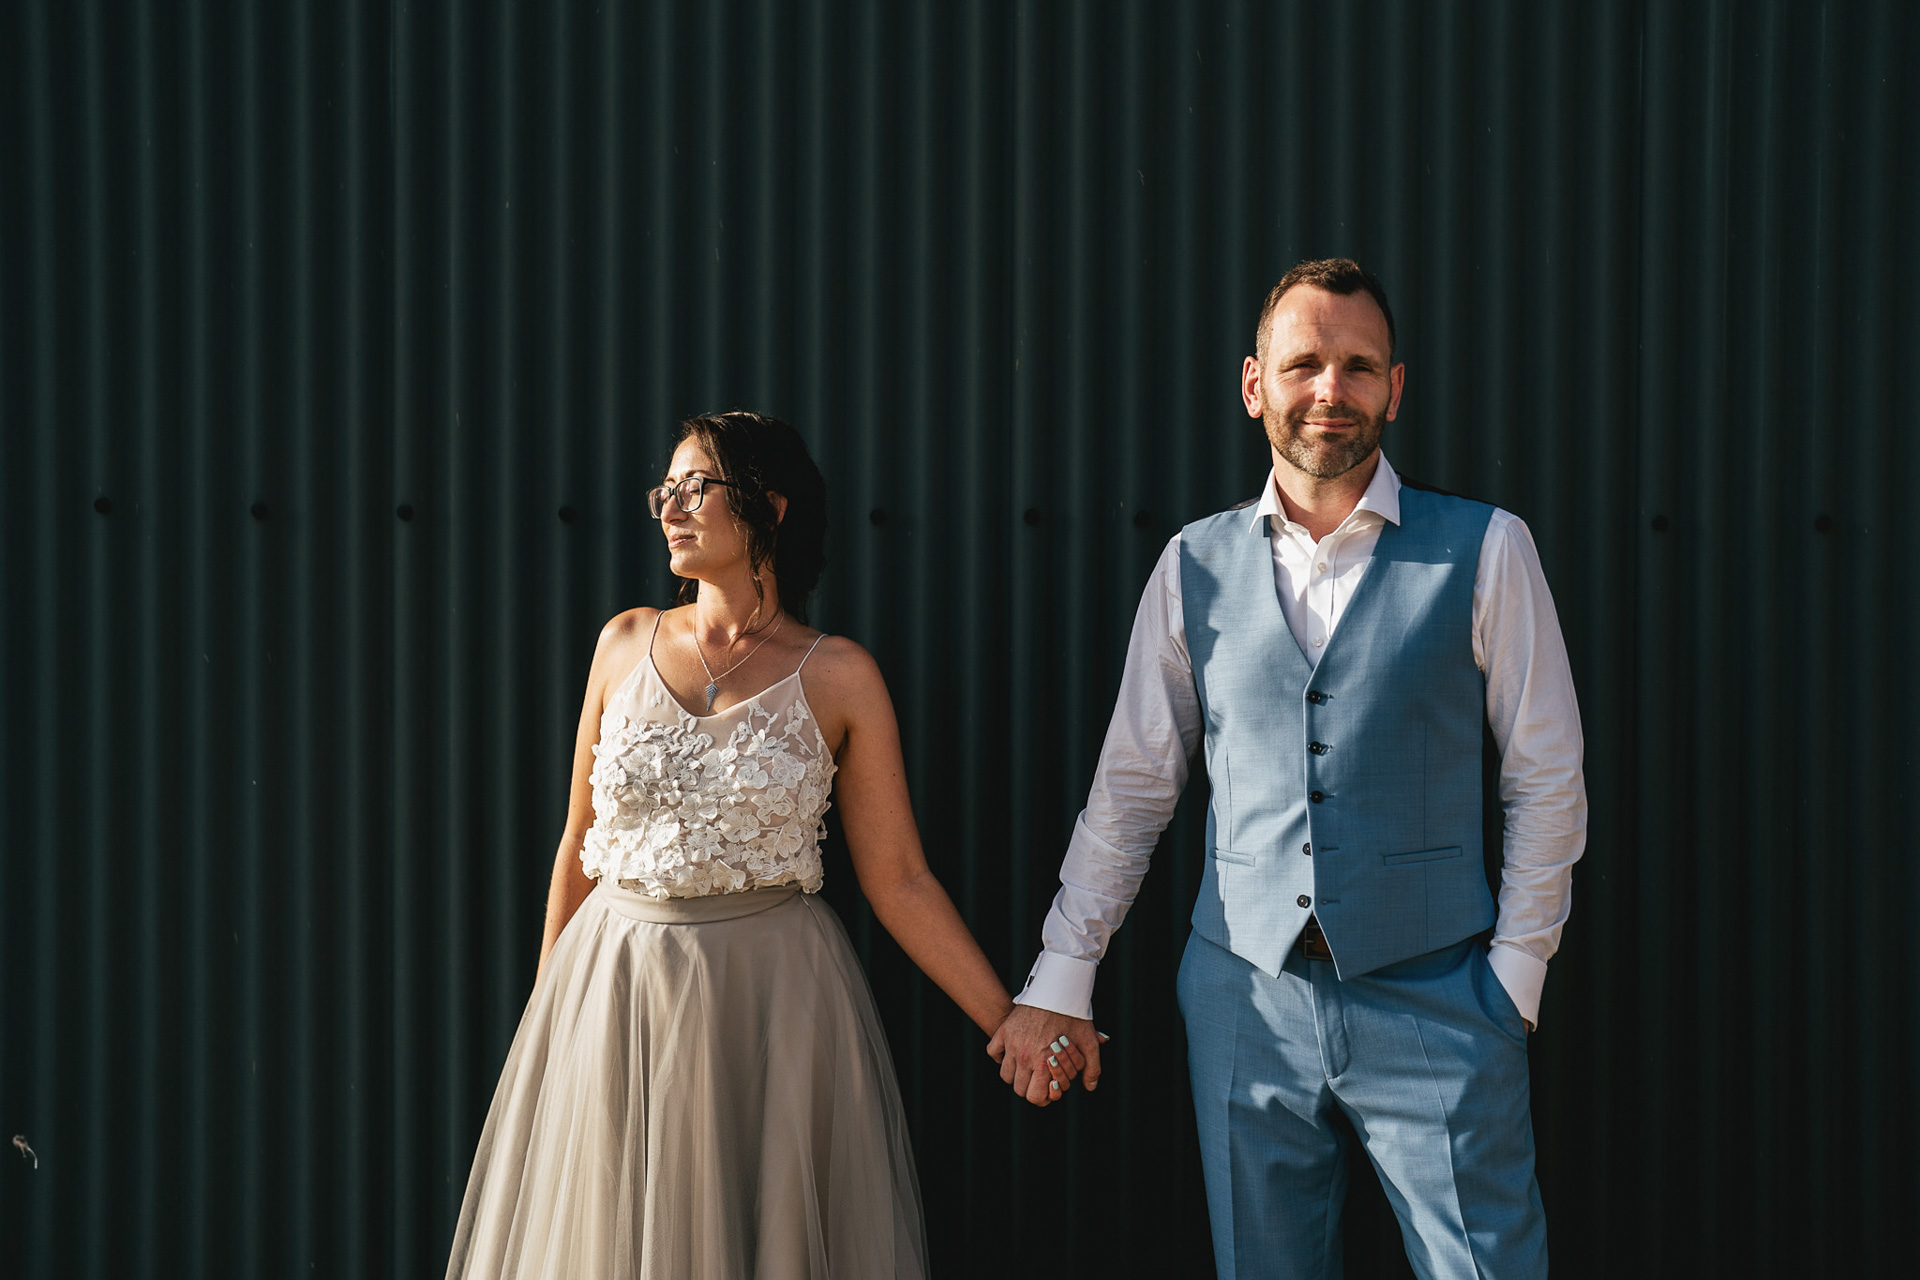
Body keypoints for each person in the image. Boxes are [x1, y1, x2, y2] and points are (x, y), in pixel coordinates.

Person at [989, 259, 1586, 1278]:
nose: (1329, 388)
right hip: (1241, 993)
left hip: (1439, 992)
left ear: (1394, 388)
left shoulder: (1487, 548)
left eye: (1357, 366)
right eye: (1303, 362)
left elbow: (1546, 776)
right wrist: (1062, 971)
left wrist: (1511, 983)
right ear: (1253, 383)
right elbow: (1134, 785)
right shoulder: (1191, 564)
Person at [447, 411, 1075, 1279]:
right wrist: (550, 1016)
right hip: (615, 988)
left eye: (694, 486)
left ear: (769, 507)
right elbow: (577, 843)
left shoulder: (839, 674)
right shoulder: (622, 642)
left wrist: (1005, 1019)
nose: (670, 505)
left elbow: (899, 879)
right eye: (663, 489)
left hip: (773, 997)